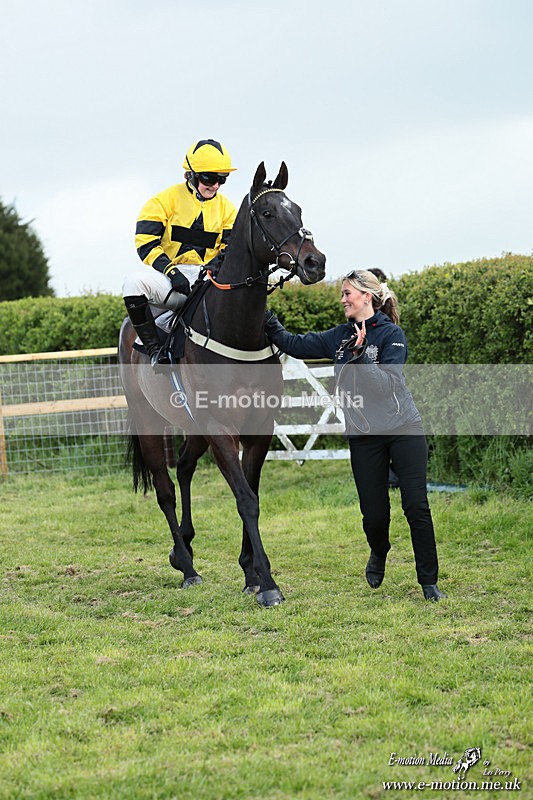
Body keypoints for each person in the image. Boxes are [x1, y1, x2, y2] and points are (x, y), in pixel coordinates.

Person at [265, 269, 446, 601]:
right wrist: (264, 316)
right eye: (342, 294)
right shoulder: (340, 336)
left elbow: (387, 386)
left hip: (403, 430)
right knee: (374, 515)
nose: (343, 299)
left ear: (367, 296)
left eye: (347, 293)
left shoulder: (391, 334)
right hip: (364, 436)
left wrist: (361, 357)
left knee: (416, 506)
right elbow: (296, 344)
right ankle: (379, 551)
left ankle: (429, 582)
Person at [123, 138, 237, 366]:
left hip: (210, 282)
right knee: (132, 283)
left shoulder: (228, 209)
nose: (215, 185)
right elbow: (146, 242)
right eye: (209, 178)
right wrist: (172, 272)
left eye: (222, 179)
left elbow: (229, 249)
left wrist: (212, 269)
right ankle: (155, 351)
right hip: (172, 280)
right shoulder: (162, 201)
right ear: (190, 175)